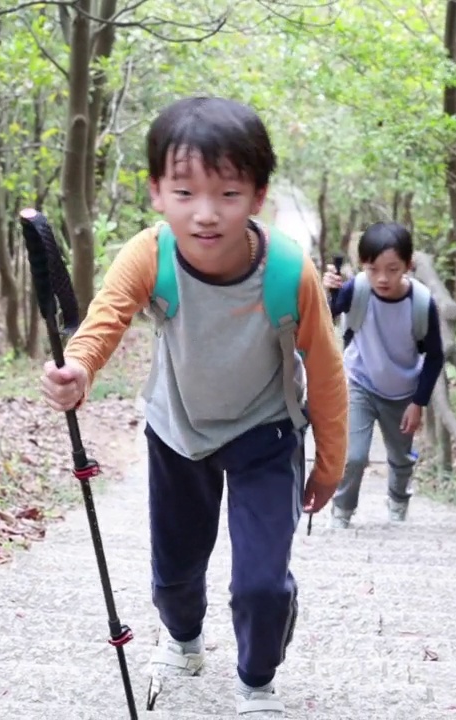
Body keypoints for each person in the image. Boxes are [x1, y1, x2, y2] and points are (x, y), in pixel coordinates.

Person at [39, 96, 348, 717]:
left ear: (258, 196)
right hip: (178, 430)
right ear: (157, 192)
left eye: (228, 195)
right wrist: (77, 369)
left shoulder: (290, 271)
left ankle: (257, 682)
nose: (205, 214)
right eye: (184, 192)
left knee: (262, 583)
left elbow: (326, 367)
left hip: (267, 432)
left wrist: (331, 464)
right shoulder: (150, 255)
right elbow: (104, 323)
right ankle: (183, 640)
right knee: (176, 572)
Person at [322, 222, 444, 528]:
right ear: (363, 266)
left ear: (408, 265)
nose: (382, 278)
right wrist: (330, 289)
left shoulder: (421, 302)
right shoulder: (359, 289)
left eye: (392, 269)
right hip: (360, 382)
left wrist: (419, 402)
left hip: (403, 392)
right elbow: (329, 315)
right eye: (373, 268)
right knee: (354, 456)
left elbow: (435, 355)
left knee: (401, 459)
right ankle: (342, 510)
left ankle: (398, 500)